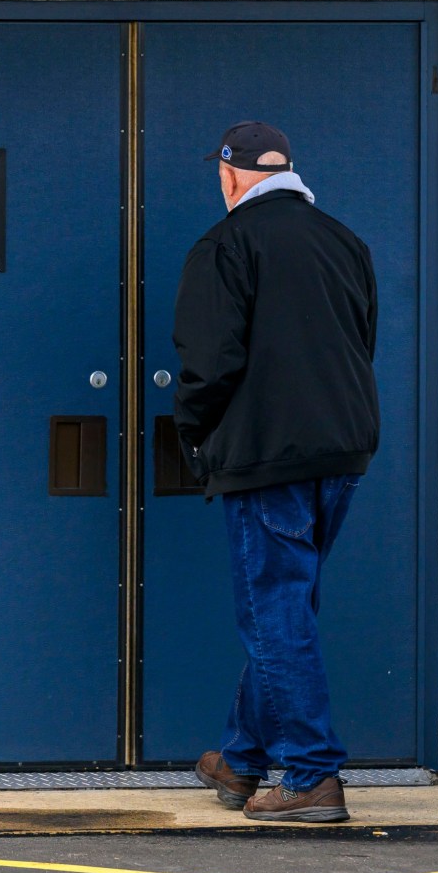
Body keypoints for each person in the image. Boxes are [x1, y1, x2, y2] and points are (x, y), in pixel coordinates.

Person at [172, 121, 379, 823]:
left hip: (267, 456)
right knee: (286, 607)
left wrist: (196, 437)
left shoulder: (227, 243)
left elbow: (207, 362)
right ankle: (240, 758)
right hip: (341, 449)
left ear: (230, 176)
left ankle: (311, 774)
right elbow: (363, 340)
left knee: (276, 612)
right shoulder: (344, 240)